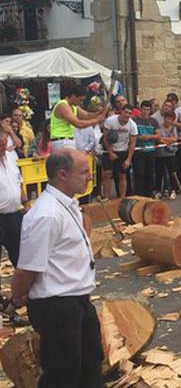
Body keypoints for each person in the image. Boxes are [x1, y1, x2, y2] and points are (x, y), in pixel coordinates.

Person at [11, 149, 102, 387]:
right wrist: (18, 296)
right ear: (62, 174)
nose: (90, 177)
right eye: (84, 172)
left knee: (91, 363)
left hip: (78, 298)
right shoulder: (46, 214)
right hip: (56, 304)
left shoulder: (69, 205)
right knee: (63, 374)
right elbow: (27, 269)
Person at [0, 128, 28, 269]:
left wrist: (26, 204)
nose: (3, 148)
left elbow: (19, 181)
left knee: (21, 253)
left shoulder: (10, 158)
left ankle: (25, 289)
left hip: (14, 214)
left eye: (4, 144)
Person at [49, 85, 105, 152]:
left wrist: (99, 113)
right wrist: (97, 120)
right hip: (62, 141)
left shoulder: (74, 107)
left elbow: (87, 115)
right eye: (80, 100)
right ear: (73, 96)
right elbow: (78, 124)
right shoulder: (63, 106)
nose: (80, 102)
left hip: (68, 140)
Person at [102, 104, 138, 198]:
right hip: (109, 150)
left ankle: (122, 198)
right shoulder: (110, 121)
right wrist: (110, 152)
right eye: (125, 112)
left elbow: (133, 143)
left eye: (129, 113)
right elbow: (105, 138)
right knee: (107, 174)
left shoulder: (132, 125)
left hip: (123, 151)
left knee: (122, 175)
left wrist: (129, 159)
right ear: (121, 111)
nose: (127, 115)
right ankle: (106, 198)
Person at [132, 100, 160, 197]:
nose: (145, 111)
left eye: (148, 109)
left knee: (150, 173)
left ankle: (149, 194)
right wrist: (139, 137)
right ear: (141, 109)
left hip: (150, 150)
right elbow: (131, 134)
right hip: (138, 151)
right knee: (139, 173)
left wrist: (149, 137)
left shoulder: (153, 121)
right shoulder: (134, 120)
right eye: (144, 109)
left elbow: (158, 135)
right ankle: (139, 194)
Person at [154, 110, 178, 200]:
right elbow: (158, 139)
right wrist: (167, 140)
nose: (168, 120)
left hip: (170, 154)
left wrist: (165, 140)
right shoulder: (159, 127)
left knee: (172, 173)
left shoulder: (173, 128)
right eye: (167, 118)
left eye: (170, 119)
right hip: (160, 154)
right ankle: (158, 191)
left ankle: (173, 190)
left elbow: (175, 139)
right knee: (159, 173)